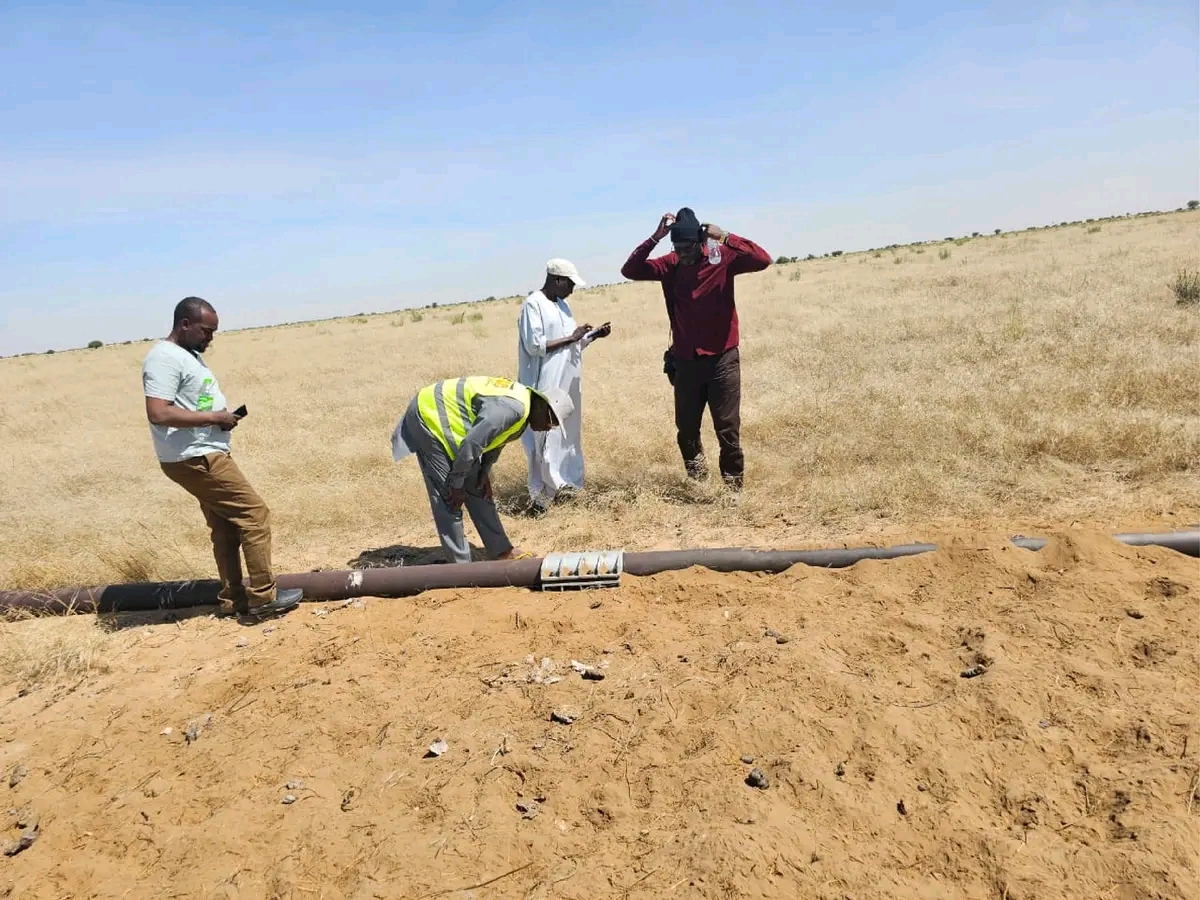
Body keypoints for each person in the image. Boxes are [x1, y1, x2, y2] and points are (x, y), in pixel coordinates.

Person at [142, 297, 303, 620]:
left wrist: (218, 417)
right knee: (255, 515)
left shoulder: (185, 355)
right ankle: (263, 597)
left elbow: (185, 405)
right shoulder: (164, 358)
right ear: (184, 324)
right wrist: (214, 417)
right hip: (197, 457)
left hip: (200, 452)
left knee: (226, 527)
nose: (210, 339)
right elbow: (158, 412)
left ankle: (234, 599)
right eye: (206, 331)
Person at [620, 207, 771, 489]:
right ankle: (698, 483)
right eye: (678, 247)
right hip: (686, 362)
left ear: (701, 242)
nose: (683, 253)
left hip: (722, 360)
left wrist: (726, 236)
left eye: (688, 247)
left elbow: (763, 259)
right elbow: (630, 270)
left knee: (727, 430)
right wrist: (655, 237)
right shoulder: (670, 264)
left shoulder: (722, 258)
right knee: (686, 430)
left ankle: (733, 490)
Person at [392, 376, 574, 564]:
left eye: (554, 425)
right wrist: (456, 483)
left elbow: (494, 440)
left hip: (455, 427)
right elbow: (473, 442)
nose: (549, 427)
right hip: (430, 414)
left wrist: (484, 471)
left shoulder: (523, 413)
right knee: (449, 496)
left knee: (478, 488)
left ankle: (501, 551)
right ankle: (460, 567)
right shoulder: (512, 410)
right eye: (551, 420)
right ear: (540, 406)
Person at [517, 258, 611, 516]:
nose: (572, 289)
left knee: (567, 436)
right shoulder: (533, 304)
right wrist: (572, 337)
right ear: (557, 280)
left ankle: (566, 485)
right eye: (570, 283)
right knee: (544, 438)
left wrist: (592, 336)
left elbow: (573, 344)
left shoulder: (564, 305)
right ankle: (541, 497)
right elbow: (534, 345)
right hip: (545, 383)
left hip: (567, 383)